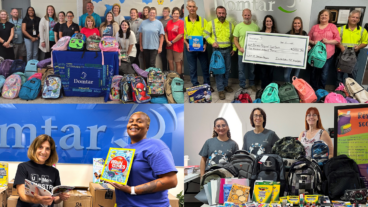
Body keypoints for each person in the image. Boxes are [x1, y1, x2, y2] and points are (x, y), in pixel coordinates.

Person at [107, 112, 178, 207]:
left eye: (139, 121)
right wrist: (107, 175)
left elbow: (171, 180)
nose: (133, 123)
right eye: (131, 121)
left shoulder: (155, 145)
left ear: (147, 127)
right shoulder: (124, 150)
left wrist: (131, 190)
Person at [14, 134, 70, 207]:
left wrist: (61, 198)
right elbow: (22, 196)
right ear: (34, 149)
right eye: (40, 147)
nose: (43, 152)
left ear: (51, 152)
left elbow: (55, 199)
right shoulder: (23, 167)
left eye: (47, 149)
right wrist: (35, 200)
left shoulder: (54, 172)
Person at [204, 6, 235, 100]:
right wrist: (212, 42)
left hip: (228, 50)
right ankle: (220, 90)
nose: (221, 15)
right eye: (219, 13)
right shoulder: (211, 23)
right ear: (216, 14)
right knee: (219, 71)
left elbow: (234, 38)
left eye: (223, 13)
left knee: (227, 69)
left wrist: (234, 48)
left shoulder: (230, 25)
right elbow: (205, 34)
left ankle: (225, 85)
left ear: (226, 14)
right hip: (217, 52)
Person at [184, 0, 213, 92]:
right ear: (187, 8)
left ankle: (207, 85)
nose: (192, 8)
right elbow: (182, 36)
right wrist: (187, 44)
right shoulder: (183, 21)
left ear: (196, 8)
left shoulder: (203, 20)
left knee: (205, 67)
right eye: (190, 6)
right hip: (190, 47)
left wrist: (205, 44)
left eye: (193, 6)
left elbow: (207, 35)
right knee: (192, 69)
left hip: (202, 47)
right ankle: (195, 86)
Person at [309, 9, 340, 90]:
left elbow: (338, 40)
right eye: (322, 15)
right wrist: (313, 42)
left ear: (329, 17)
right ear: (319, 17)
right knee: (313, 73)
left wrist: (328, 41)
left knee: (324, 74)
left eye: (326, 15)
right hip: (315, 55)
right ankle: (313, 89)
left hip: (327, 56)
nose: (323, 16)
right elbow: (308, 39)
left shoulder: (332, 27)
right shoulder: (314, 27)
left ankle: (321, 90)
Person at [336, 10, 368, 86]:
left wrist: (359, 47)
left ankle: (351, 93)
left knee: (352, 76)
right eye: (353, 17)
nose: (354, 19)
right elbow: (336, 41)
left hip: (354, 57)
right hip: (341, 56)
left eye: (357, 18)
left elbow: (365, 42)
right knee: (339, 75)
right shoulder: (340, 29)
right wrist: (341, 47)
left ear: (359, 20)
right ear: (349, 17)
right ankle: (339, 93)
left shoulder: (363, 31)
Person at [233, 9, 259, 91]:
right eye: (245, 15)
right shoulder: (238, 26)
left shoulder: (256, 27)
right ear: (242, 15)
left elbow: (259, 39)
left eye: (248, 15)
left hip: (252, 54)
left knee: (252, 70)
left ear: (250, 16)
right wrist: (239, 48)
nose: (247, 17)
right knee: (241, 71)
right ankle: (242, 85)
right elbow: (235, 39)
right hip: (241, 53)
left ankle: (252, 84)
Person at [284, 17, 309, 83]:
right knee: (286, 76)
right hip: (289, 58)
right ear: (293, 24)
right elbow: (284, 45)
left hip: (299, 59)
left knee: (296, 76)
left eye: (298, 23)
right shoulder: (289, 33)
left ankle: (294, 89)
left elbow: (306, 45)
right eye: (295, 23)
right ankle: (289, 88)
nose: (297, 24)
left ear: (301, 24)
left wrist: (308, 47)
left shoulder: (304, 33)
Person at [259, 15, 278, 89]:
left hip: (272, 59)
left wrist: (277, 60)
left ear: (272, 23)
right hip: (262, 58)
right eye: (267, 21)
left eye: (270, 21)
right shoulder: (260, 32)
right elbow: (257, 45)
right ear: (264, 22)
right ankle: (263, 90)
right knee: (263, 74)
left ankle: (269, 90)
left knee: (270, 74)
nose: (268, 22)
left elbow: (278, 47)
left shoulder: (276, 33)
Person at [165, 7, 184, 78]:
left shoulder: (181, 22)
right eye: (174, 13)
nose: (175, 15)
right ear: (172, 14)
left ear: (179, 14)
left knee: (178, 62)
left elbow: (180, 35)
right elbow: (165, 32)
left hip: (178, 46)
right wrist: (167, 41)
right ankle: (172, 77)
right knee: (170, 61)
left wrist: (172, 42)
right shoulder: (169, 22)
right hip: (169, 45)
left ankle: (178, 78)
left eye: (177, 13)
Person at [159, 7, 172, 71]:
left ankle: (170, 72)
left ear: (169, 12)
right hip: (162, 42)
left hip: (170, 42)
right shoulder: (160, 21)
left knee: (170, 58)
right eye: (163, 11)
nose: (164, 12)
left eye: (166, 11)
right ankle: (164, 71)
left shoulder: (171, 20)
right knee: (163, 57)